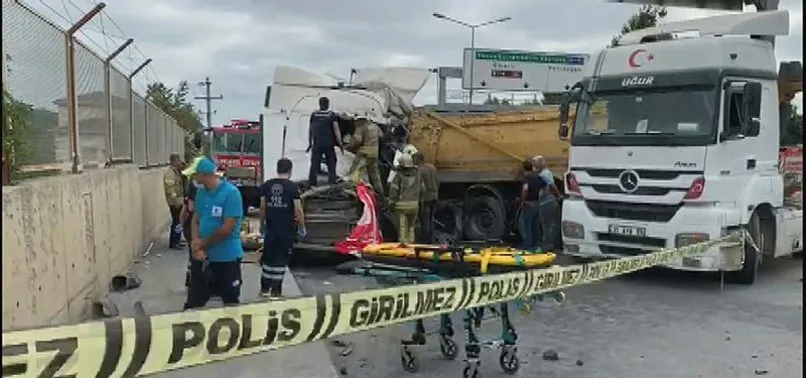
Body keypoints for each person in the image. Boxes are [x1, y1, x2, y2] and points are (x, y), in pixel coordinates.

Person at [183, 157, 245, 309]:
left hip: (226, 258)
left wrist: (202, 243)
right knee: (194, 301)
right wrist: (195, 244)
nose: (192, 179)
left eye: (194, 175)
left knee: (230, 301)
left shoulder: (231, 193)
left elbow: (226, 228)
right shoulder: (201, 193)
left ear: (204, 174)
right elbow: (196, 219)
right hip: (203, 257)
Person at [258, 158, 306, 298]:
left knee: (268, 258)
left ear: (277, 169)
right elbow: (298, 210)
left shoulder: (266, 186)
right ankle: (276, 290)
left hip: (271, 229)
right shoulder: (292, 187)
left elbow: (262, 207)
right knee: (281, 259)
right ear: (290, 171)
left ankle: (264, 289)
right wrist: (302, 227)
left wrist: (262, 225)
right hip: (285, 230)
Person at [307, 96, 343, 187]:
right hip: (328, 143)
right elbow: (336, 129)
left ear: (320, 104)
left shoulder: (314, 115)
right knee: (331, 162)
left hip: (317, 143)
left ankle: (312, 183)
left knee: (315, 163)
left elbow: (310, 129)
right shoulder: (331, 115)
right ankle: (332, 183)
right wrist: (340, 143)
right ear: (328, 104)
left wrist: (310, 143)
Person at [347, 114, 384, 197]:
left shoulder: (361, 127)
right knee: (374, 174)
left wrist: (348, 146)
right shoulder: (375, 126)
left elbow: (357, 140)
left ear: (359, 120)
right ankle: (380, 194)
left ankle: (351, 190)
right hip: (374, 153)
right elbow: (381, 136)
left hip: (364, 153)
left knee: (355, 171)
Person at [389, 154, 422, 244]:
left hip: (401, 206)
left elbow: (394, 191)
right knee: (411, 226)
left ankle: (404, 244)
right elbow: (422, 189)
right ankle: (411, 243)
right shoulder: (418, 175)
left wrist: (391, 203)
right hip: (414, 205)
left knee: (402, 226)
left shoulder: (398, 176)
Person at [532, 155, 563, 252]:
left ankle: (547, 246)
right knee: (552, 225)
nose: (534, 165)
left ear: (540, 164)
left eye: (535, 163)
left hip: (547, 203)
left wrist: (558, 195)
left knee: (546, 225)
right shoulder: (546, 172)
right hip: (549, 202)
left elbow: (551, 185)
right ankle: (553, 245)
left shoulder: (543, 175)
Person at [519, 159, 543, 252]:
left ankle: (527, 247)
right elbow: (543, 188)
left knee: (527, 227)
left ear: (523, 169)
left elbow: (525, 189)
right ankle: (537, 246)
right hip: (537, 203)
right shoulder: (537, 177)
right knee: (535, 226)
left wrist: (523, 200)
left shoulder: (526, 179)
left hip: (529, 204)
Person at [163, 154, 186, 250]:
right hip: (174, 203)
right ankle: (174, 242)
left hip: (178, 201)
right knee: (176, 222)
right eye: (178, 161)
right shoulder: (170, 174)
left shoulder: (176, 172)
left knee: (179, 221)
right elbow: (170, 189)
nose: (179, 163)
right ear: (173, 161)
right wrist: (176, 202)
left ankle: (177, 239)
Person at [415, 152, 439, 244]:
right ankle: (431, 239)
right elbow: (437, 182)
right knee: (431, 218)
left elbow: (420, 186)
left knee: (425, 220)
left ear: (418, 159)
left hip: (426, 198)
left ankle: (425, 240)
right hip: (435, 196)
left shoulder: (419, 170)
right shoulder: (432, 167)